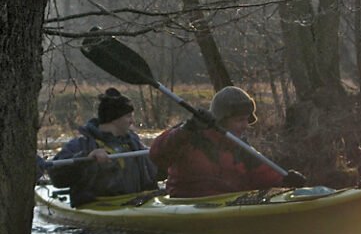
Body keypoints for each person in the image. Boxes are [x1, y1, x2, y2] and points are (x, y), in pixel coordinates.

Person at [150, 86, 306, 197]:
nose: (245, 126)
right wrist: (186, 130)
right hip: (187, 204)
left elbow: (262, 174)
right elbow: (157, 155)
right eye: (240, 120)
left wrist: (284, 180)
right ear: (222, 120)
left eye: (246, 120)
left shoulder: (241, 147)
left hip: (226, 204)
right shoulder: (188, 134)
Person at [48, 88, 159, 207]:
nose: (132, 121)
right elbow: (56, 178)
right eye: (128, 116)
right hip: (98, 205)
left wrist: (168, 157)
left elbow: (158, 173)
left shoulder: (134, 143)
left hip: (138, 202)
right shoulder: (81, 144)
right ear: (115, 119)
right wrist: (86, 158)